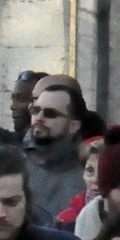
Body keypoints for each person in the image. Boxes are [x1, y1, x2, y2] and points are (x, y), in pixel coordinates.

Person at [24, 81, 91, 225]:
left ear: (74, 125)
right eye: (36, 110)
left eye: (50, 113)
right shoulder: (14, 162)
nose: (39, 117)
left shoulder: (89, 171)